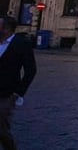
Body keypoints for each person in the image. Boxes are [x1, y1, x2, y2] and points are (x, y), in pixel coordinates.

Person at [0, 16, 37, 150]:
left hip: (6, 93)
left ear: (7, 28)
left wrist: (18, 92)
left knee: (1, 129)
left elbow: (31, 70)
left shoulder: (21, 43)